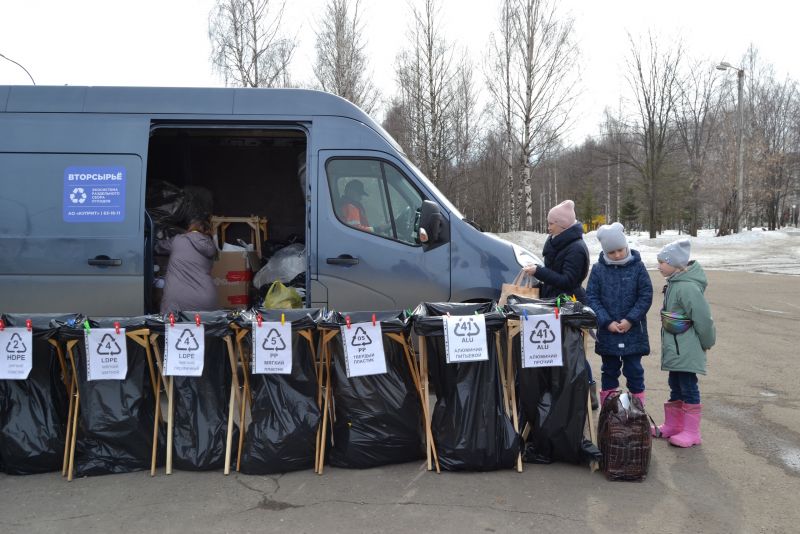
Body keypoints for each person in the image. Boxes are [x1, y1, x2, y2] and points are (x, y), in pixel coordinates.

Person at [523, 199, 597, 407]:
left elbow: (568, 281)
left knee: (573, 351)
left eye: (551, 223)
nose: (548, 227)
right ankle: (562, 392)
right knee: (557, 351)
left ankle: (588, 390)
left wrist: (540, 272)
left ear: (563, 225)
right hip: (553, 302)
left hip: (569, 305)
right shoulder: (557, 241)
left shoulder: (576, 248)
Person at [652, 239, 716, 448]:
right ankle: (674, 425)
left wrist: (707, 341)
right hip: (677, 348)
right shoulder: (674, 283)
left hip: (687, 348)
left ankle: (691, 431)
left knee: (688, 387)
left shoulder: (687, 287)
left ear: (676, 264)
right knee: (675, 386)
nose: (659, 265)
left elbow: (703, 318)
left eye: (662, 262)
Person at [585, 222, 653, 409]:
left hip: (633, 331)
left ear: (626, 246)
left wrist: (631, 319)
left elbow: (645, 295)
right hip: (608, 332)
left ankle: (637, 412)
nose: (617, 255)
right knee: (609, 370)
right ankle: (611, 411)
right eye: (612, 252)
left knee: (634, 371)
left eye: (620, 250)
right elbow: (591, 297)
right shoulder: (598, 269)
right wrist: (606, 321)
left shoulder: (638, 267)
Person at [160, 216, 218, 314]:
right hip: (206, 299)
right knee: (205, 328)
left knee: (174, 328)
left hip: (177, 299)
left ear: (191, 227)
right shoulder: (211, 246)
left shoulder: (178, 240)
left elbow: (159, 247)